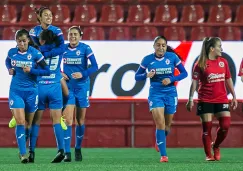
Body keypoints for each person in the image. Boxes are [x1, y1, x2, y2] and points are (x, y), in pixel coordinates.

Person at [135, 36, 188, 162]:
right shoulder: (147, 59)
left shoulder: (172, 57)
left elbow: (184, 73)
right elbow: (137, 77)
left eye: (163, 45)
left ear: (166, 46)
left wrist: (172, 79)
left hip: (170, 93)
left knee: (167, 126)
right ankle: (164, 156)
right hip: (156, 94)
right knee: (160, 124)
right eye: (158, 45)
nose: (161, 47)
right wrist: (146, 75)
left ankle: (159, 140)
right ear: (154, 46)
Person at [186, 37, 237, 161]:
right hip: (205, 99)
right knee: (207, 128)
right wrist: (191, 98)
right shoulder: (200, 64)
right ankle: (209, 155)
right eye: (219, 46)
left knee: (225, 126)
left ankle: (216, 146)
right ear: (212, 49)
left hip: (221, 99)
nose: (221, 49)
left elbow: (228, 79)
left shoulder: (223, 62)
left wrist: (234, 96)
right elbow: (194, 82)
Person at [5, 29, 50, 163]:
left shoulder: (35, 53)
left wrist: (32, 70)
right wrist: (9, 69)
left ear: (28, 40)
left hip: (31, 91)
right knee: (20, 121)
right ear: (16, 42)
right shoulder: (12, 53)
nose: (22, 44)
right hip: (16, 91)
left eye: (24, 41)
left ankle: (27, 147)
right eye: (19, 41)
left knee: (28, 124)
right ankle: (23, 154)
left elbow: (46, 70)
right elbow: (8, 62)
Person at [28, 29, 66, 163]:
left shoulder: (36, 51)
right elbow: (62, 44)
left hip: (40, 86)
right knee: (57, 121)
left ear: (42, 40)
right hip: (55, 86)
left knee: (35, 121)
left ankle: (31, 151)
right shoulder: (60, 50)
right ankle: (61, 149)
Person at [61, 26, 98, 162]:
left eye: (75, 34)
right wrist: (60, 73)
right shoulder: (63, 49)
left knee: (80, 120)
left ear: (80, 36)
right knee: (68, 120)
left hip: (82, 87)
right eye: (71, 34)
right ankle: (67, 152)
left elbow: (95, 66)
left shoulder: (85, 48)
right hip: (68, 88)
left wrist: (82, 73)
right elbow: (52, 64)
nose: (73, 37)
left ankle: (77, 148)